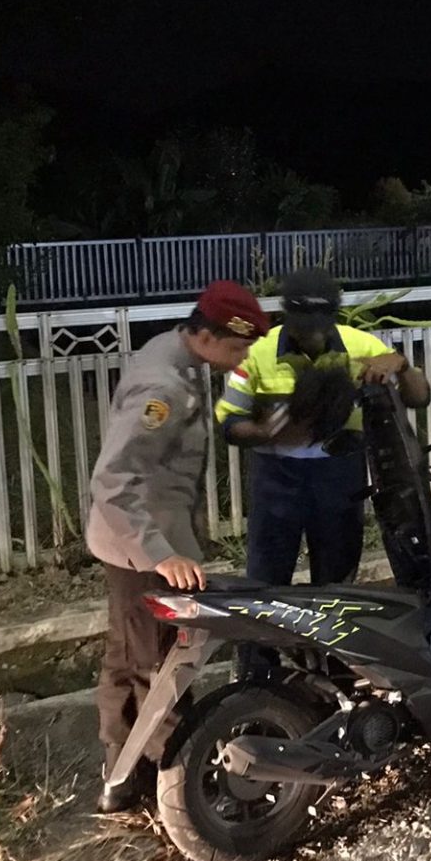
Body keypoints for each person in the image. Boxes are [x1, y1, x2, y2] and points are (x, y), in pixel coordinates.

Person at [86, 280, 270, 813]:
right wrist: (160, 555)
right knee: (159, 665)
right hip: (142, 550)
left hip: (144, 543)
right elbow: (113, 480)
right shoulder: (162, 388)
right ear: (207, 337)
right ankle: (179, 777)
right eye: (237, 347)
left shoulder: (179, 356)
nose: (242, 358)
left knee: (129, 657)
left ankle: (124, 776)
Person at [216, 268, 430, 678]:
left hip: (340, 477)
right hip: (276, 479)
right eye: (304, 326)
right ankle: (256, 680)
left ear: (333, 318)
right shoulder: (258, 353)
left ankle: (335, 677)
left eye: (320, 326)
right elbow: (230, 422)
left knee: (336, 586)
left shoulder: (361, 346)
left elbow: (420, 398)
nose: (313, 336)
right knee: (265, 585)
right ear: (287, 317)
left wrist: (401, 366)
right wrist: (262, 431)